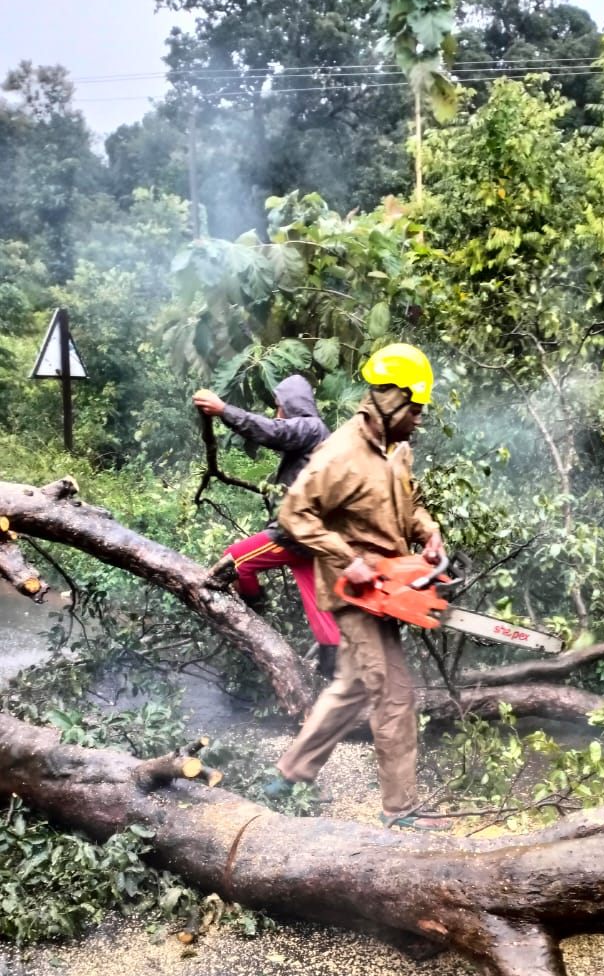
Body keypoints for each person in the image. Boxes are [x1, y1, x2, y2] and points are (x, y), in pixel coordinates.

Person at [263, 343, 452, 831]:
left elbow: (408, 510)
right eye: (415, 410)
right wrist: (348, 559)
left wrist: (428, 533)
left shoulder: (393, 452)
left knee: (350, 687)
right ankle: (401, 811)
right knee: (393, 696)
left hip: (388, 587)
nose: (418, 420)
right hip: (354, 595)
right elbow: (293, 514)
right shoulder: (340, 454)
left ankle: (286, 775)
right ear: (390, 401)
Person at [193, 376, 340, 678]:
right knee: (320, 608)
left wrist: (223, 410)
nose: (277, 414)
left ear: (291, 405)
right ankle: (335, 677)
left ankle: (253, 610)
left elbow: (271, 431)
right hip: (312, 536)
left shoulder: (310, 427)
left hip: (295, 532)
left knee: (234, 561)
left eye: (278, 407)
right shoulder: (316, 435)